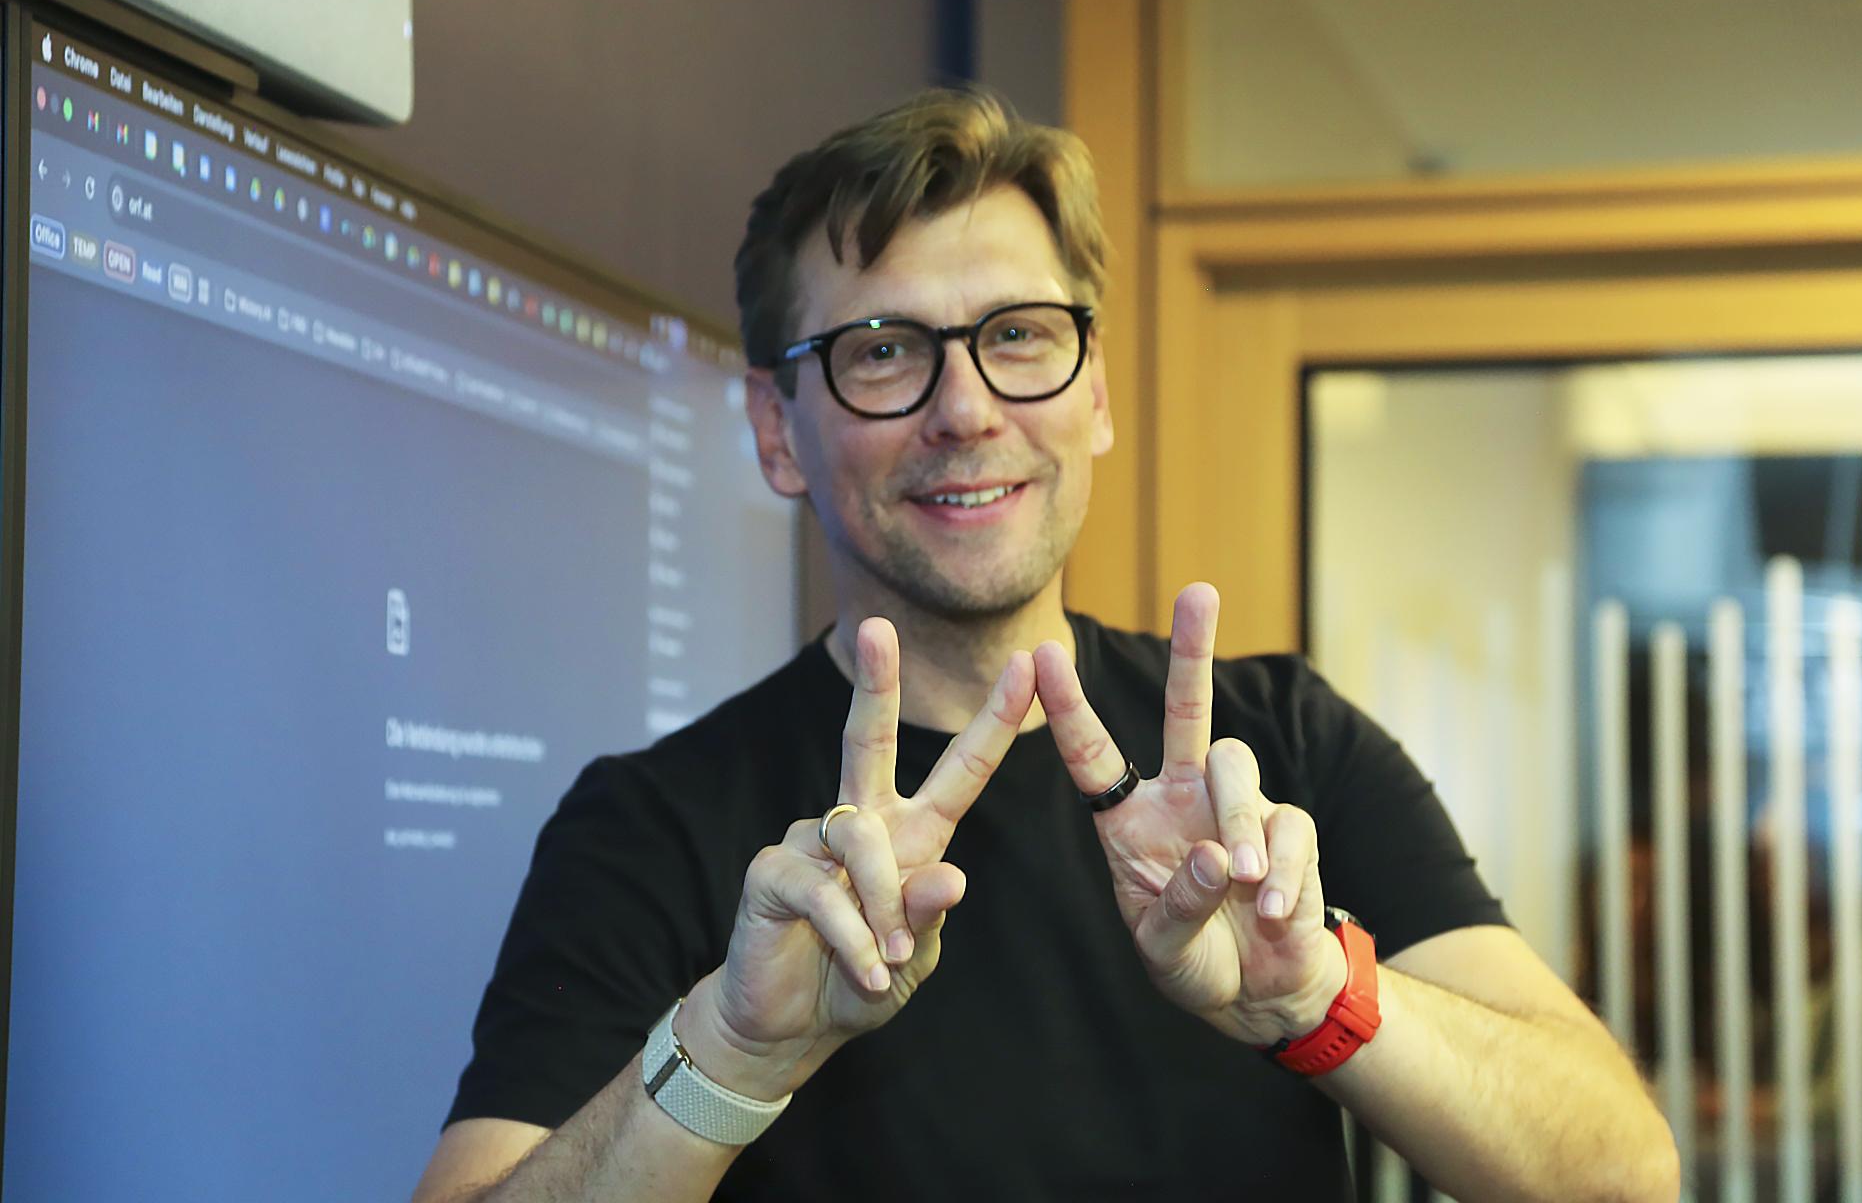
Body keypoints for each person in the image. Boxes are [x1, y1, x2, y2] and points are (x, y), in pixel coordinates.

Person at [412, 91, 1678, 1202]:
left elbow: (1622, 1173)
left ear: (1096, 389)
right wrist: (731, 1057)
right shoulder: (653, 823)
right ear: (778, 430)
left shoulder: (1283, 745)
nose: (966, 409)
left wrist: (1318, 999)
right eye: (882, 351)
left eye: (1017, 333)